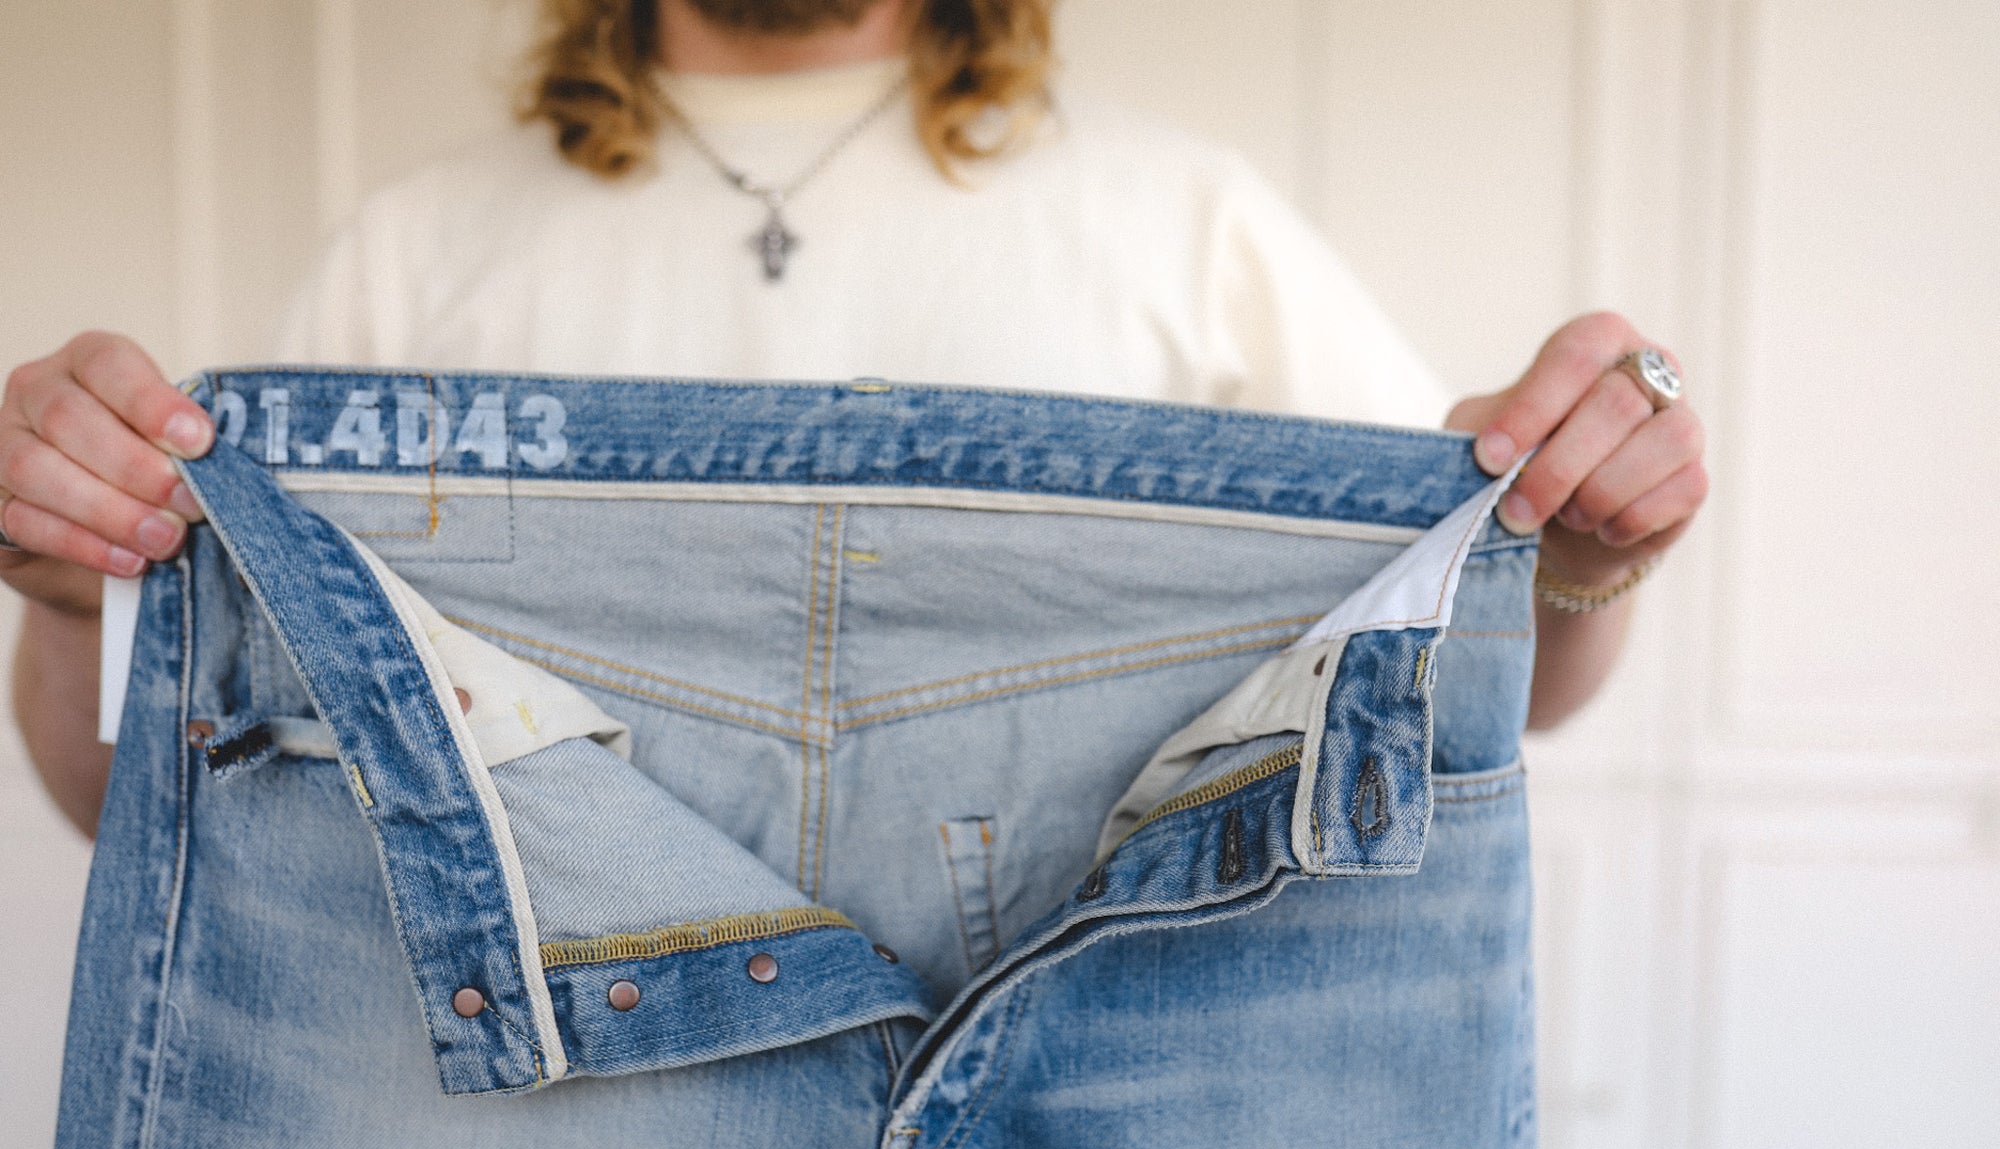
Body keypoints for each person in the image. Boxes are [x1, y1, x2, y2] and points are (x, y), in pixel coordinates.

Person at [2, 1, 1706, 845]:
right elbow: (151, 797)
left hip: (1078, 1105)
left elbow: (1482, 685)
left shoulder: (1192, 222)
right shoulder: (413, 250)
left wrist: (1577, 542)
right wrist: (84, 585)